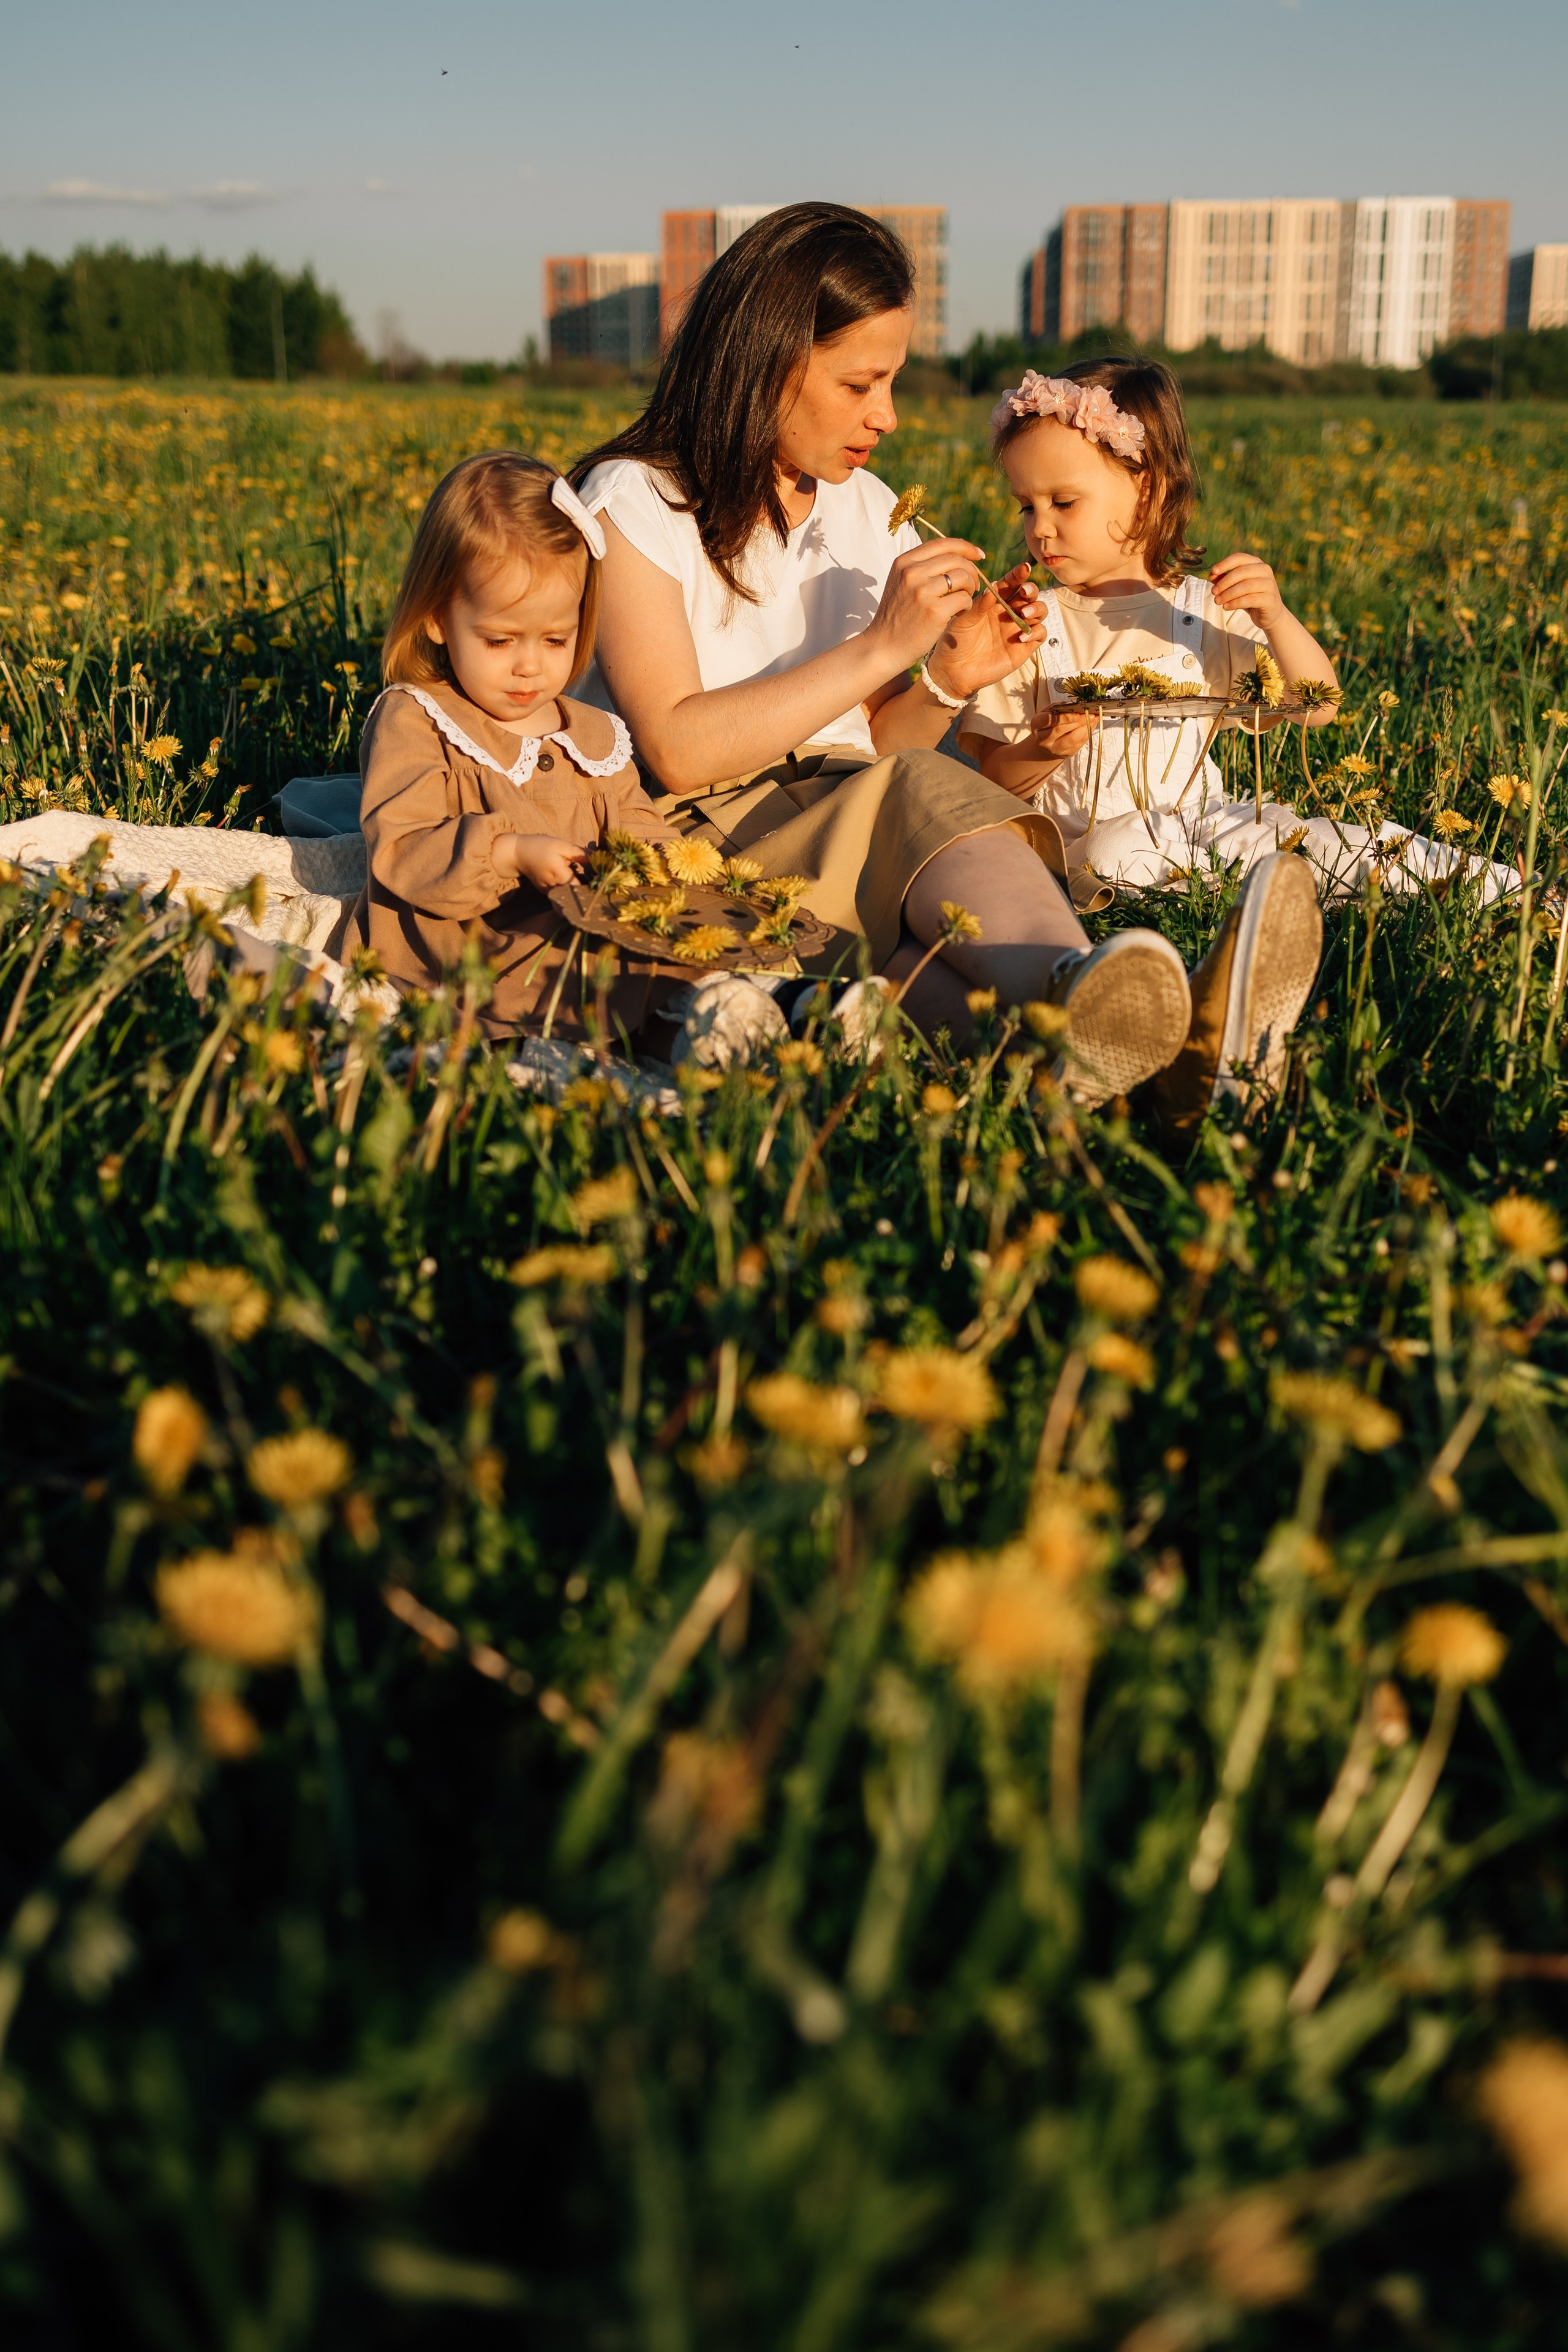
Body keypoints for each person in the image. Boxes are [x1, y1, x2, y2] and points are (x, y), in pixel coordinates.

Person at [573, 202, 1210, 1109]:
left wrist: (946, 677)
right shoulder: (636, 499)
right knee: (933, 804)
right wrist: (881, 646)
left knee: (926, 969)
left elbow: (882, 747)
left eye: (893, 382)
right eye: (861, 384)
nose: (890, 415)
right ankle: (1110, 1007)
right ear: (766, 360)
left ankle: (1120, 1060)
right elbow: (676, 750)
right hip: (697, 842)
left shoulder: (867, 505)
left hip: (838, 813)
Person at [957, 358, 1518, 1129]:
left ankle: (1500, 889)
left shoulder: (1201, 612)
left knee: (1324, 840)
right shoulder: (1030, 624)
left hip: (1205, 817)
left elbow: (1315, 709)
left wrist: (1277, 619)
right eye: (1025, 506)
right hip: (1082, 845)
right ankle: (1246, 917)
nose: (1039, 527)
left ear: (1147, 490)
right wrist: (1047, 748)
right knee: (1125, 855)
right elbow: (992, 775)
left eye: (1063, 501)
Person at [338, 451, 691, 1046]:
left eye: (556, 638)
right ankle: (668, 1027)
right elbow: (401, 844)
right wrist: (507, 853)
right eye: (500, 640)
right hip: (464, 950)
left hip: (572, 937)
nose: (530, 666)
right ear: (436, 619)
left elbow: (639, 825)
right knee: (569, 984)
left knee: (672, 956)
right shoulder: (419, 718)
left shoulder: (591, 735)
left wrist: (662, 874)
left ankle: (747, 1011)